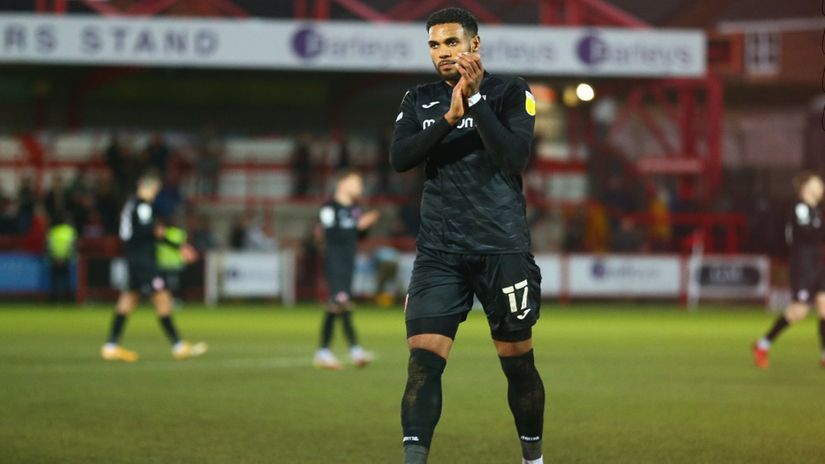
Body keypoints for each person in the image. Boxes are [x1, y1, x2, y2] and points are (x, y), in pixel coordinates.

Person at [390, 8, 544, 464]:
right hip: (439, 252)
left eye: (451, 43)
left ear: (474, 45)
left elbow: (515, 157)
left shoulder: (510, 91)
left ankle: (532, 460)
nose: (442, 53)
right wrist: (448, 119)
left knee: (518, 365)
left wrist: (475, 103)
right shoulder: (419, 99)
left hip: (502, 247)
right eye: (435, 45)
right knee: (422, 363)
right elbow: (400, 158)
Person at [101, 170, 205, 363]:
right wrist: (178, 246)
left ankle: (111, 346)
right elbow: (151, 231)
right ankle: (178, 345)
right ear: (147, 187)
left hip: (133, 257)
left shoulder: (131, 204)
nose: (155, 193)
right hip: (144, 261)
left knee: (128, 299)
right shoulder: (142, 206)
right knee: (162, 297)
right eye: (155, 189)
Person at [753, 172, 825, 369]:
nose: (821, 187)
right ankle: (762, 344)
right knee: (798, 312)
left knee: (824, 306)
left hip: (817, 265)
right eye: (818, 184)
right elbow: (808, 234)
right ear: (806, 188)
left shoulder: (815, 210)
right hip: (802, 267)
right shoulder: (800, 208)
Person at [313, 170, 380, 370]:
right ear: (342, 184)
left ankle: (349, 351)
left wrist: (365, 227)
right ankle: (329, 351)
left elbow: (359, 237)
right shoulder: (328, 207)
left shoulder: (355, 209)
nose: (359, 187)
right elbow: (330, 234)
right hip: (335, 261)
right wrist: (358, 226)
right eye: (356, 182)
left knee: (341, 304)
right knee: (339, 303)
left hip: (349, 261)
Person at [47, 213, 76, 303]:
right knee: (66, 279)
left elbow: (49, 246)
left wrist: (54, 257)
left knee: (54, 280)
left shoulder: (53, 231)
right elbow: (72, 245)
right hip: (66, 259)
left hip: (55, 258)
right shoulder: (70, 231)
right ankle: (68, 298)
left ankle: (54, 299)